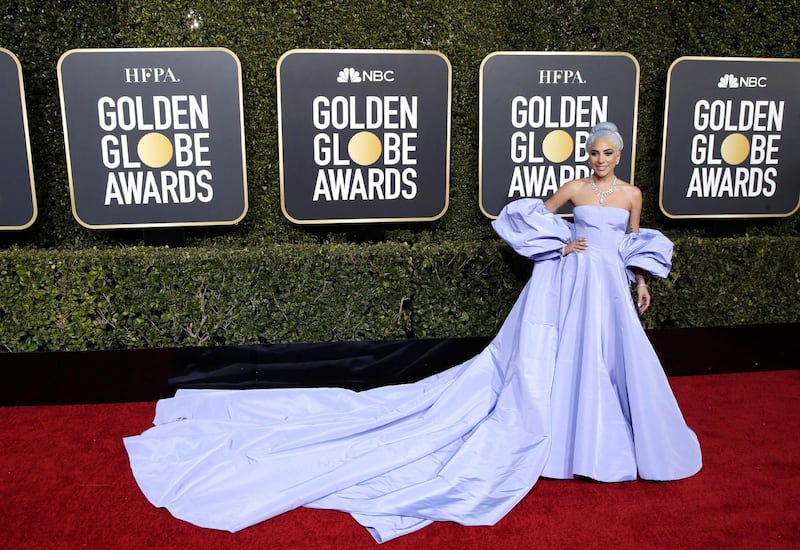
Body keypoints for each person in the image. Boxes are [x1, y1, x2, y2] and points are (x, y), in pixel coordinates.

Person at [124, 122, 701, 543]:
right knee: (564, 359)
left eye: (607, 153)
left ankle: (595, 440)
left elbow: (631, 240)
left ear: (619, 155)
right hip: (572, 283)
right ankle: (560, 434)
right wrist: (563, 242)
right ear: (587, 154)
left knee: (606, 360)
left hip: (610, 288)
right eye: (593, 152)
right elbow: (533, 217)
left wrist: (639, 279)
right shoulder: (574, 188)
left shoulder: (631, 195)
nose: (600, 160)